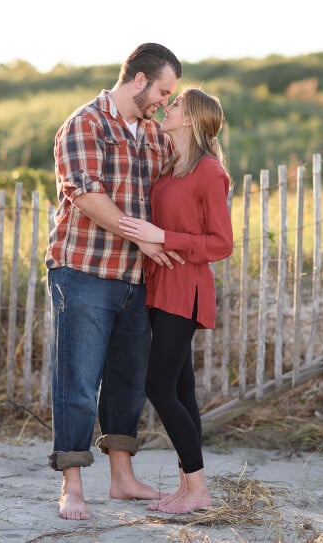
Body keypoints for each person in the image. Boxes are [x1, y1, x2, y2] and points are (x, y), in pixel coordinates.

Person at [46, 43, 181, 520]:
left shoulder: (151, 133)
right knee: (78, 381)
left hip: (134, 278)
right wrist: (140, 238)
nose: (166, 101)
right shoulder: (85, 123)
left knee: (127, 381)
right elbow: (84, 193)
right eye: (163, 91)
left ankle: (122, 479)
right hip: (83, 270)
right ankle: (73, 485)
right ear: (139, 80)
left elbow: (181, 172)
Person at [118, 88, 234, 515]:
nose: (167, 108)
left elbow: (222, 243)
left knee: (158, 387)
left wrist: (163, 237)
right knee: (182, 392)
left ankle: (199, 490)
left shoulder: (209, 172)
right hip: (158, 287)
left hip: (187, 289)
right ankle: (189, 487)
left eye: (176, 105)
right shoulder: (169, 169)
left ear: (191, 119)